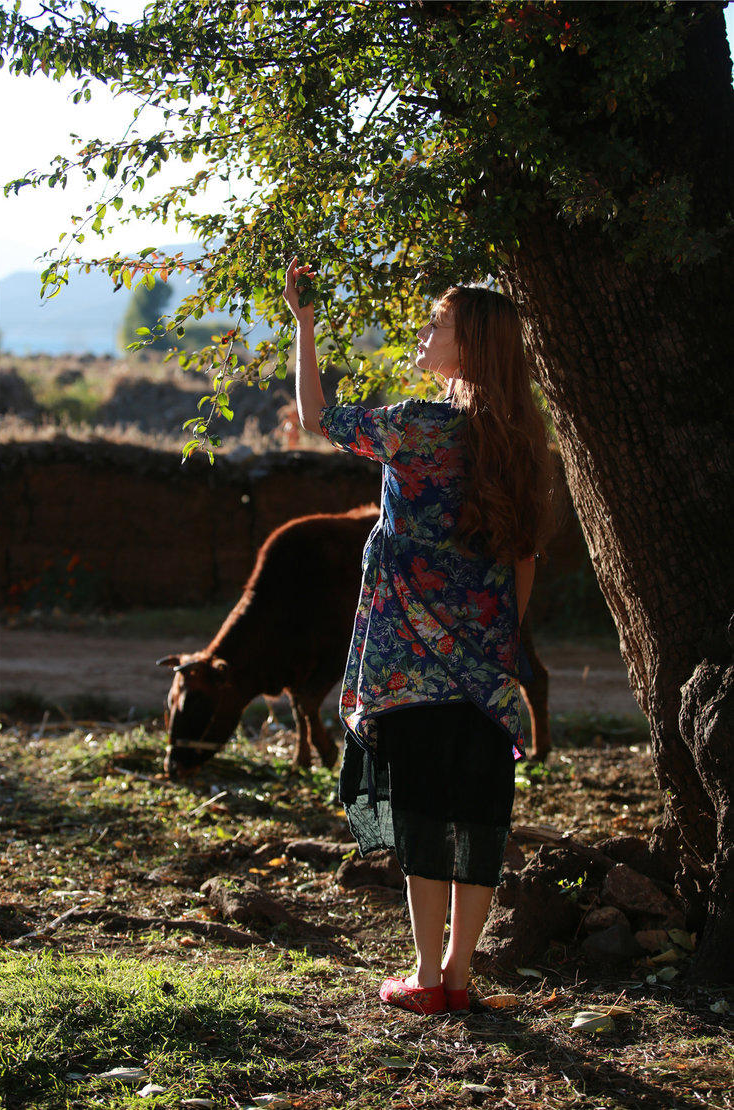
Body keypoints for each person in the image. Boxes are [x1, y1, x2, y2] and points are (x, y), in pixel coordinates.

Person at [284, 257, 553, 1016]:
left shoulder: (418, 427)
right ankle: (461, 977)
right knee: (478, 815)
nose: (425, 333)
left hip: (412, 666)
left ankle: (427, 978)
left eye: (437, 325)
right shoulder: (520, 441)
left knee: (425, 817)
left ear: (467, 346)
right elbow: (523, 560)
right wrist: (501, 642)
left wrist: (305, 327)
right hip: (486, 665)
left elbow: (316, 418)